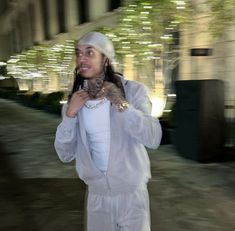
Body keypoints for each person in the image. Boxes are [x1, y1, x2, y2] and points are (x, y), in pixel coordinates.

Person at [54, 31, 162, 231]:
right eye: (78, 53)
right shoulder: (75, 101)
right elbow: (64, 154)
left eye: (89, 53)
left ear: (105, 58)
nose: (81, 59)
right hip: (97, 195)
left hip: (132, 194)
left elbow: (153, 137)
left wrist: (121, 103)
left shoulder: (133, 91)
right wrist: (70, 115)